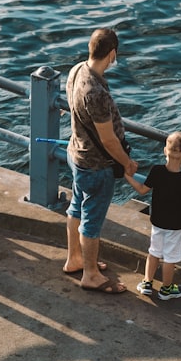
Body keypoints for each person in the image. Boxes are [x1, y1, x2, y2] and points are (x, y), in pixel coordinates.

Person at [63, 28, 137, 293]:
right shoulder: (96, 92)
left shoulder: (77, 70)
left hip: (77, 154)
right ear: (113, 53)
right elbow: (108, 140)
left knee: (76, 208)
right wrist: (127, 163)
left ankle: (75, 259)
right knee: (91, 222)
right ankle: (91, 275)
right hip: (95, 165)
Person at [126, 131, 181, 300]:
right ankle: (166, 289)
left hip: (157, 222)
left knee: (154, 252)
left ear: (165, 150)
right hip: (176, 226)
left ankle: (146, 283)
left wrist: (127, 176)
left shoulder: (157, 171)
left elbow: (142, 190)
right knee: (170, 258)